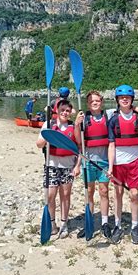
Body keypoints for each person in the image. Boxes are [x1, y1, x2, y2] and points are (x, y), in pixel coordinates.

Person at [73, 90, 138, 240]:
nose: (95, 103)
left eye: (97, 101)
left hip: (105, 161)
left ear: (102, 102)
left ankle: (105, 223)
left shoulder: (109, 113)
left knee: (104, 191)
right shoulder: (84, 117)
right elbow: (79, 141)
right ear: (88, 103)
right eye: (92, 101)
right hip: (88, 161)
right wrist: (76, 124)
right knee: (89, 192)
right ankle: (90, 223)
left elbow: (127, 107)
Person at [107, 85, 138, 245]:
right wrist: (110, 167)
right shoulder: (113, 120)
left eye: (128, 97)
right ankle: (117, 225)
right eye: (122, 97)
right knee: (118, 194)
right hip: (118, 163)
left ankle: (135, 226)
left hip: (134, 163)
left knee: (133, 194)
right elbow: (111, 146)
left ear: (132, 99)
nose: (125, 99)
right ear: (117, 99)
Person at [36, 99, 81, 239]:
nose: (65, 113)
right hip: (51, 165)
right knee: (50, 195)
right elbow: (39, 144)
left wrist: (77, 165)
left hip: (68, 166)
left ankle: (64, 224)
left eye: (67, 110)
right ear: (57, 110)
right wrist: (48, 134)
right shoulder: (48, 125)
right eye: (62, 110)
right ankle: (51, 224)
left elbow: (80, 148)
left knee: (65, 195)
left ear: (70, 113)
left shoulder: (73, 127)